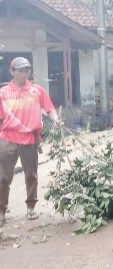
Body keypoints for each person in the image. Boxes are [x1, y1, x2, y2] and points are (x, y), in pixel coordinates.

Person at [0, 57, 62, 227]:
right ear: (12, 71)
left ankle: (31, 207)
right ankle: (1, 210)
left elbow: (49, 109)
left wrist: (55, 119)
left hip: (29, 138)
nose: (24, 73)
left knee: (31, 175)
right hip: (8, 138)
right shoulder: (3, 93)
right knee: (4, 177)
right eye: (20, 70)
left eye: (27, 70)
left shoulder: (37, 90)